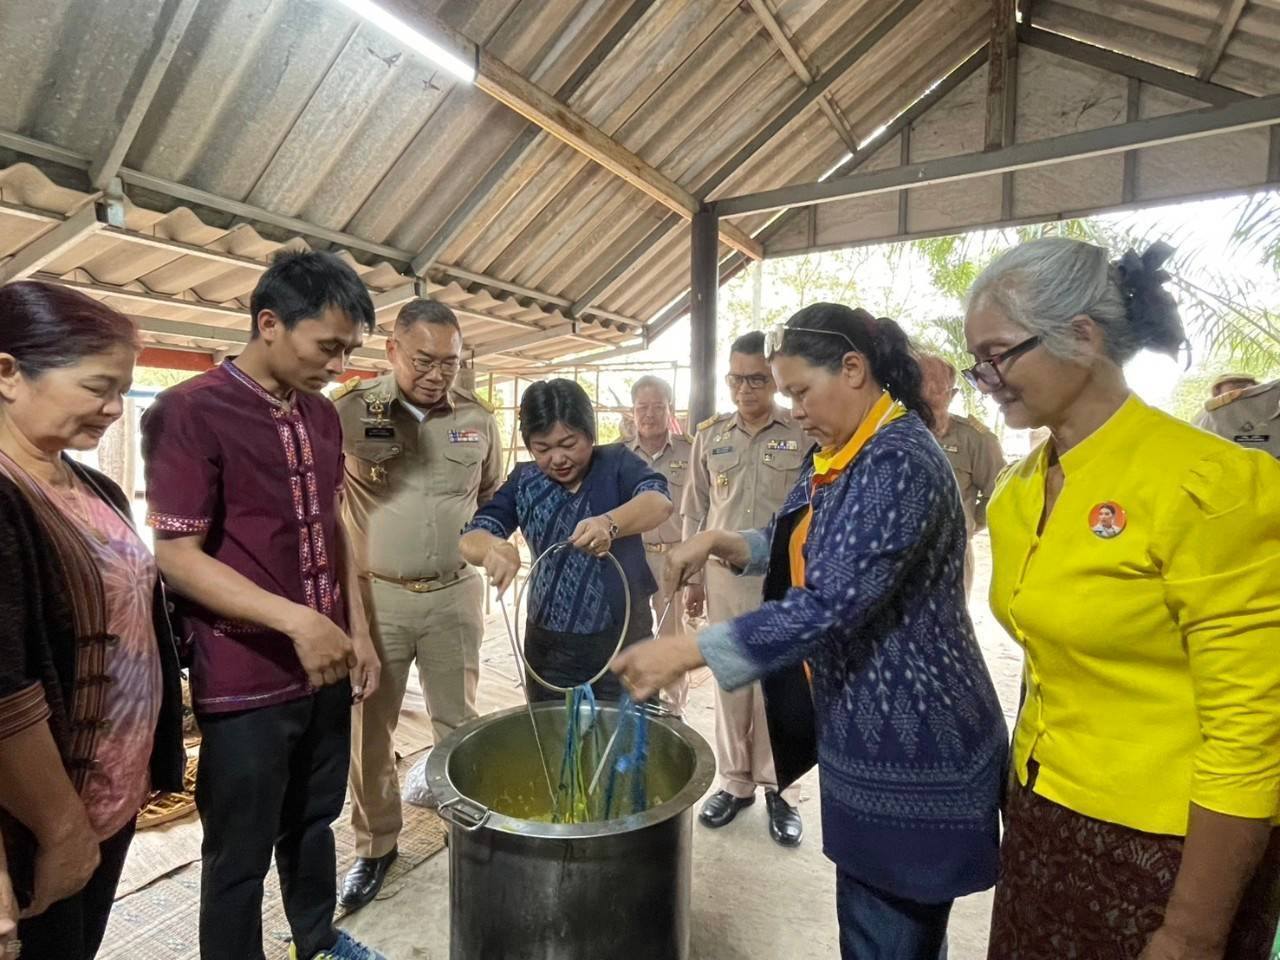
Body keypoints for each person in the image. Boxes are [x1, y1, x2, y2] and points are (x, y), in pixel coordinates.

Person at [613, 304, 1008, 959]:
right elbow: (798, 536)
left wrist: (686, 650)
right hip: (868, 733)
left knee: (889, 935)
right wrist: (721, 540)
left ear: (853, 369)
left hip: (912, 748)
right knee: (878, 924)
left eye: (799, 392)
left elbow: (829, 604)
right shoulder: (845, 454)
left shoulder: (897, 462)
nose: (794, 411)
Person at [963, 237, 1280, 959]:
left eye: (998, 355)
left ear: (1082, 336)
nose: (985, 380)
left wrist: (1192, 932)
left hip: (1172, 850)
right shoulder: (1017, 494)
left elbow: (1250, 731)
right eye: (976, 361)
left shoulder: (1210, 485)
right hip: (1043, 815)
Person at [141, 251, 387, 960]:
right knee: (238, 851)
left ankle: (317, 939)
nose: (338, 365)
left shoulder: (321, 414)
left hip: (326, 664)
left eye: (349, 350)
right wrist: (297, 620)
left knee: (314, 820)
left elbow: (334, 524)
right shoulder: (189, 411)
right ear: (270, 323)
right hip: (244, 673)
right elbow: (177, 556)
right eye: (328, 346)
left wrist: (357, 632)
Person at [0, 281, 184, 960]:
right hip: (40, 818)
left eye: (122, 390)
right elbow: (6, 689)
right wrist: (61, 829)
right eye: (97, 387)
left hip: (112, 794)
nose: (114, 408)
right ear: (7, 373)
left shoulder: (94, 486)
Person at [334, 298, 501, 908]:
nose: (436, 375)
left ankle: (466, 832)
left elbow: (491, 496)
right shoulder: (351, 411)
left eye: (449, 363)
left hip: (455, 592)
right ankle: (376, 845)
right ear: (392, 350)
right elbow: (323, 506)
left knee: (458, 721)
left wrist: (494, 545)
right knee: (370, 730)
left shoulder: (478, 419)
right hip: (377, 597)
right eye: (423, 361)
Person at [459, 379, 671, 702]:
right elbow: (472, 536)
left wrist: (609, 523)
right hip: (550, 648)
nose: (557, 458)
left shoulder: (615, 463)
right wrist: (494, 548)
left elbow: (659, 501)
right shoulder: (525, 481)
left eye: (568, 444)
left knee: (630, 729)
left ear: (590, 434)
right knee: (554, 729)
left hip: (625, 639)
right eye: (542, 449)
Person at [683, 331, 808, 846]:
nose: (745, 390)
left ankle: (781, 788)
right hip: (725, 580)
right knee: (731, 679)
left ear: (774, 379)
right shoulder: (710, 435)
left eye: (756, 379)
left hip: (783, 580)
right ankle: (735, 782)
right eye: (736, 379)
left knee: (780, 685)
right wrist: (692, 577)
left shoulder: (802, 431)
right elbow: (695, 509)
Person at [626, 374, 693, 716]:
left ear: (670, 409)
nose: (649, 414)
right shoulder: (620, 455)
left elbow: (700, 508)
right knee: (632, 631)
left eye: (657, 406)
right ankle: (637, 702)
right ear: (632, 411)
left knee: (671, 635)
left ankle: (673, 709)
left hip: (672, 558)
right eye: (642, 407)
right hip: (631, 557)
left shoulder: (689, 451)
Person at [917, 354, 1005, 593]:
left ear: (952, 395)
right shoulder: (890, 434)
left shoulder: (975, 439)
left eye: (935, 389)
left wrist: (968, 525)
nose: (925, 396)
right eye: (919, 386)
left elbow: (998, 494)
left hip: (950, 558)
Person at [1196, 376, 1280, 458]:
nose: (1245, 391)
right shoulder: (1210, 426)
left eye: (1252, 388)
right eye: (1237, 386)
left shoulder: (1270, 414)